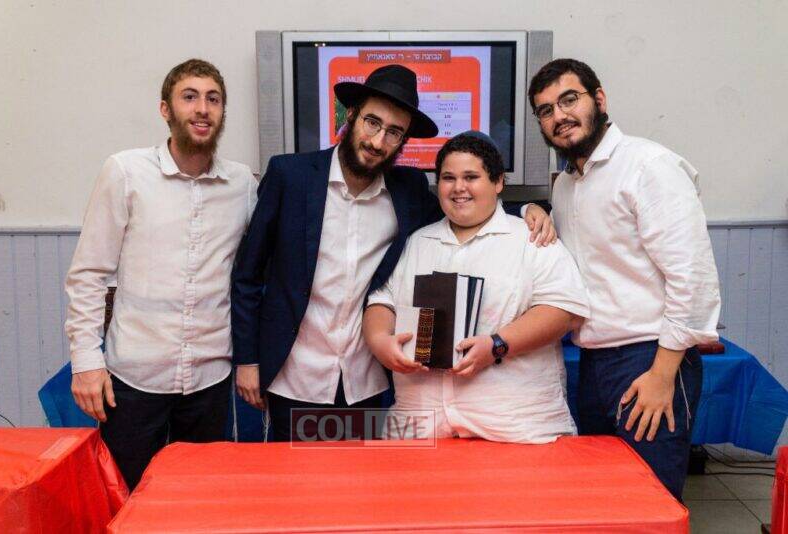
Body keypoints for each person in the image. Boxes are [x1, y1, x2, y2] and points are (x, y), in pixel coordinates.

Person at [232, 64, 555, 442]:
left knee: (358, 475)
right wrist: (248, 359)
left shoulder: (408, 189)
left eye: (394, 132)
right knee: (296, 474)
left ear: (403, 140)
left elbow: (463, 209)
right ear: (351, 117)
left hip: (364, 378)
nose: (378, 141)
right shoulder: (290, 175)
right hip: (295, 373)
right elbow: (247, 275)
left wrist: (527, 209)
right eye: (372, 122)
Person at [528, 58, 721, 499]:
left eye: (569, 100)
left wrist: (662, 375)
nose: (559, 116)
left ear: (599, 99)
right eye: (546, 110)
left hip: (650, 359)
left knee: (650, 500)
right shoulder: (566, 185)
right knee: (602, 498)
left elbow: (693, 278)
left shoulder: (648, 165)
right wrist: (534, 209)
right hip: (593, 363)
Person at [65, 59, 256, 489]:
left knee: (199, 500)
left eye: (213, 99)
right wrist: (86, 362)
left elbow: (254, 275)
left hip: (209, 379)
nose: (202, 108)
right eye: (190, 97)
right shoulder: (125, 172)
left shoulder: (242, 184)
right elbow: (89, 273)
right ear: (166, 109)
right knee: (125, 497)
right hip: (135, 377)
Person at [362, 132, 589, 441]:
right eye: (448, 178)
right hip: (420, 426)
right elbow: (382, 301)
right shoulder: (416, 241)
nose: (459, 188)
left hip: (515, 427)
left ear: (498, 182)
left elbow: (563, 311)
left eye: (471, 177)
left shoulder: (533, 238)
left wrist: (497, 345)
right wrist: (380, 341)